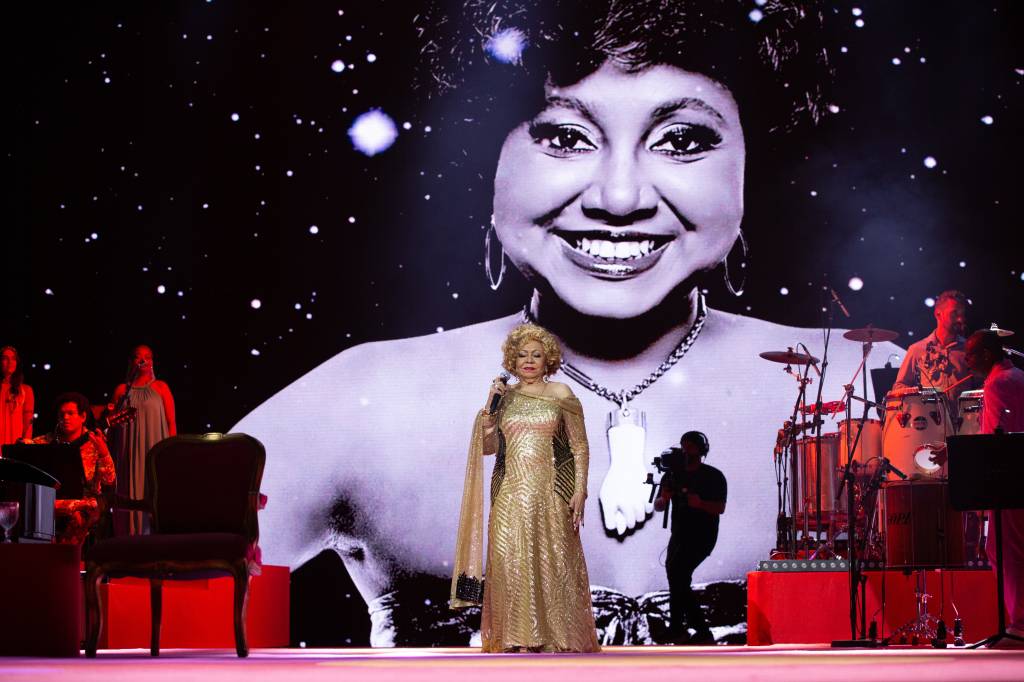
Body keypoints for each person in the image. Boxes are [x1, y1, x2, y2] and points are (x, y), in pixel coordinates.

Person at [233, 0, 902, 645]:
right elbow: (155, 580)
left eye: (682, 140)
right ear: (487, 167)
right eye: (564, 136)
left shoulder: (870, 382)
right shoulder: (362, 399)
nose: (619, 197)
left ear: (751, 165)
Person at [452, 323, 599, 652]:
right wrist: (490, 405)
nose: (529, 360)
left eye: (536, 354)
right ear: (511, 360)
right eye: (522, 355)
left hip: (551, 493)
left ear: (548, 360)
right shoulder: (504, 397)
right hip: (509, 495)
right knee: (510, 562)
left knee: (554, 563)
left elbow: (579, 447)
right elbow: (487, 448)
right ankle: (516, 638)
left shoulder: (560, 393)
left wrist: (580, 490)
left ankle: (557, 638)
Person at [962, 329, 1024, 646]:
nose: (967, 360)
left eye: (970, 355)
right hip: (1016, 475)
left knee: (1005, 548)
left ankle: (1018, 625)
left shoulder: (999, 382)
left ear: (986, 354)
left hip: (1008, 478)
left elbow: (998, 436)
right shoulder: (1016, 376)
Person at [654, 432, 726, 645]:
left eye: (691, 447)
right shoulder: (672, 475)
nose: (686, 452)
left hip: (702, 537)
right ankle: (680, 628)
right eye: (684, 447)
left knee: (678, 574)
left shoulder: (713, 476)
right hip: (678, 535)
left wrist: (700, 503)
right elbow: (658, 506)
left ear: (701, 450)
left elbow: (720, 507)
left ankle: (697, 630)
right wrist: (665, 498)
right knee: (676, 576)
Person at [106, 345, 176, 535]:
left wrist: (171, 454)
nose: (143, 360)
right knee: (128, 491)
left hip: (154, 449)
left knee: (151, 490)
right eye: (138, 357)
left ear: (153, 362)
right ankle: (127, 543)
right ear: (132, 362)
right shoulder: (122, 390)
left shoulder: (161, 387)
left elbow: (171, 424)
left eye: (148, 357)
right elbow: (112, 427)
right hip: (127, 453)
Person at [31, 393, 116, 545]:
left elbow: (109, 480)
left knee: (79, 515)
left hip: (84, 503)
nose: (65, 418)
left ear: (83, 417)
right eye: (62, 414)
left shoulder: (94, 444)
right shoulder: (45, 442)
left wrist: (103, 453)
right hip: (54, 500)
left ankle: (66, 561)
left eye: (70, 413)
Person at [892, 290, 979, 400]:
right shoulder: (917, 350)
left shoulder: (969, 349)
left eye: (962, 314)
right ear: (938, 314)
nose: (960, 319)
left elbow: (982, 387)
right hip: (928, 416)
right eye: (954, 313)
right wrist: (919, 394)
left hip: (963, 417)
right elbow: (899, 386)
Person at [0, 346, 34, 446]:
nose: (10, 362)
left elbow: (28, 421)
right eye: (5, 358)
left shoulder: (26, 390)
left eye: (13, 358)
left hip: (15, 443)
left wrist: (26, 442)